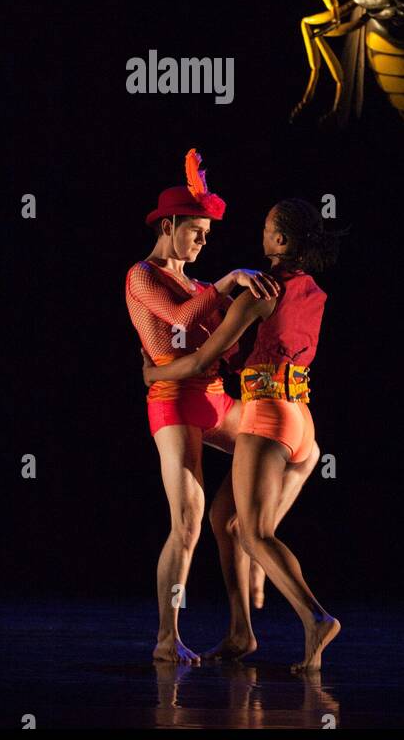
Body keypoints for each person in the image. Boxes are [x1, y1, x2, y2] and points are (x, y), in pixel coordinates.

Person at [126, 151, 321, 664]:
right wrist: (228, 284)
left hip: (214, 395)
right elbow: (176, 322)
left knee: (294, 450)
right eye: (197, 231)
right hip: (172, 401)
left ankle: (258, 554)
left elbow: (219, 350)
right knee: (188, 522)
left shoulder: (197, 283)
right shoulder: (142, 276)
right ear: (169, 225)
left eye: (209, 234)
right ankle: (169, 637)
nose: (204, 241)